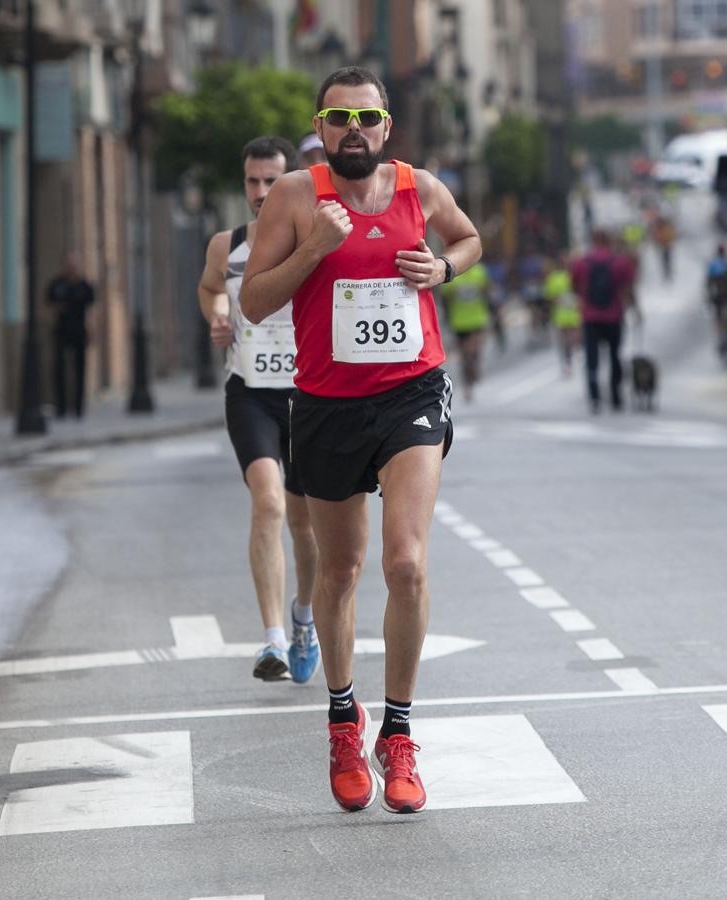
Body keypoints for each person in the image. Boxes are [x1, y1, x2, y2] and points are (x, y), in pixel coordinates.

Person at [240, 66, 482, 815]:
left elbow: (470, 240)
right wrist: (313, 249)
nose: (355, 130)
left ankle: (399, 735)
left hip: (410, 392)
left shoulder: (419, 188)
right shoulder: (293, 196)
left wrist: (442, 267)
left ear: (386, 126)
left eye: (367, 118)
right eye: (339, 117)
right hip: (326, 403)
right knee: (339, 571)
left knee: (405, 562)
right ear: (320, 127)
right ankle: (346, 721)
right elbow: (252, 302)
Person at [196, 135, 319, 685]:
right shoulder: (228, 246)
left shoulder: (314, 240)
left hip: (310, 393)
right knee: (267, 503)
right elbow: (209, 289)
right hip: (251, 392)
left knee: (306, 523)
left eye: (273, 180)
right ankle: (272, 637)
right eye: (253, 181)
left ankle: (303, 618)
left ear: (292, 180)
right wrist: (218, 314)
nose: (262, 192)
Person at [569, 229, 636, 413]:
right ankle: (615, 395)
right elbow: (628, 286)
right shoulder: (620, 262)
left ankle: (594, 396)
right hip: (614, 316)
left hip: (590, 316)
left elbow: (574, 286)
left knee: (592, 357)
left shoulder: (581, 263)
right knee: (615, 355)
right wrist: (635, 308)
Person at [46, 252, 96, 418]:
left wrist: (92, 330)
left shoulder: (84, 286)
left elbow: (92, 309)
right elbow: (48, 303)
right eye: (68, 265)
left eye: (73, 265)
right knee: (59, 369)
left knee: (79, 369)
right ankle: (60, 407)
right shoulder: (57, 284)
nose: (71, 268)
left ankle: (78, 408)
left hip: (79, 332)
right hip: (61, 331)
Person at [438, 256, 491, 402]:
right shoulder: (452, 276)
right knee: (464, 356)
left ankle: (474, 367)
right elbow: (445, 300)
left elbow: (487, 292)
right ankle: (467, 386)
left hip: (477, 319)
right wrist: (446, 318)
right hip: (459, 323)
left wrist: (490, 312)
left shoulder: (479, 272)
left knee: (472, 351)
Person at [543, 256, 581, 376]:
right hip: (570, 313)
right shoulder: (571, 276)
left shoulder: (553, 278)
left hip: (563, 314)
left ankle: (568, 359)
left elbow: (549, 297)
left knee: (566, 340)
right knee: (571, 338)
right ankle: (570, 357)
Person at [706, 243, 727, 362]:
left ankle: (722, 337)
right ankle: (726, 337)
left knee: (719, 320)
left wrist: (709, 297)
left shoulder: (714, 264)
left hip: (718, 297)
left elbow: (709, 282)